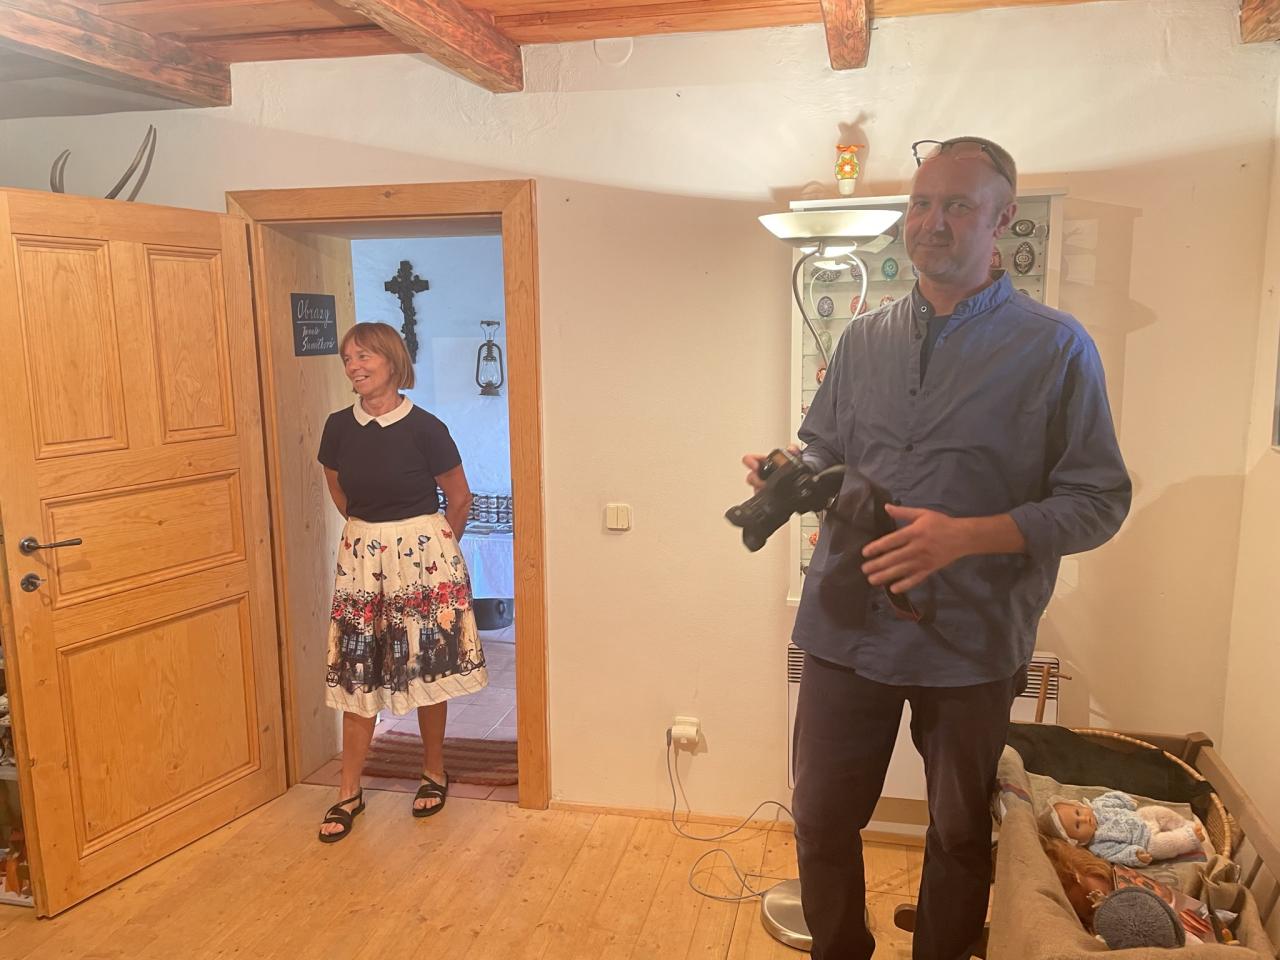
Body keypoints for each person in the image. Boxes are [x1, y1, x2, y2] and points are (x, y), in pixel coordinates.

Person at [742, 137, 1131, 959]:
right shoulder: (863, 338)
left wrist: (969, 537)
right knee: (819, 817)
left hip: (972, 639)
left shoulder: (1058, 348)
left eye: (957, 205)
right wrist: (790, 470)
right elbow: (828, 448)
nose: (932, 222)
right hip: (846, 623)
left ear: (1002, 219)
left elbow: (1100, 501)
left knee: (958, 834)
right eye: (921, 204)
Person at [316, 321, 487, 842]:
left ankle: (434, 771)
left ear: (392, 361)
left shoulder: (427, 428)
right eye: (348, 359)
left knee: (427, 666)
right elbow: (340, 492)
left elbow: (460, 498)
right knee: (358, 667)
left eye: (364, 356)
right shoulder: (338, 427)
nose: (354, 367)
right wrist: (371, 539)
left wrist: (434, 551)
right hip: (363, 558)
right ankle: (349, 791)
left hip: (424, 558)